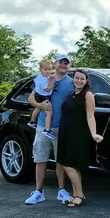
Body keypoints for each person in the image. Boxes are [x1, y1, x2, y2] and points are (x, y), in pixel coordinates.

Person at [25, 54, 74, 205]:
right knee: (40, 159)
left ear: (69, 66)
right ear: (56, 64)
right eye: (61, 62)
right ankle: (39, 192)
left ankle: (61, 191)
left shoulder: (72, 83)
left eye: (66, 63)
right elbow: (31, 99)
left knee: (60, 161)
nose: (63, 65)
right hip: (42, 126)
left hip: (61, 127)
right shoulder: (44, 77)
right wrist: (41, 106)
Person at [57, 69, 103, 207]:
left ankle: (80, 195)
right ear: (73, 79)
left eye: (82, 79)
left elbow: (90, 116)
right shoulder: (71, 94)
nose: (79, 80)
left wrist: (94, 134)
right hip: (65, 133)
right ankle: (76, 194)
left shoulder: (88, 95)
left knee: (68, 164)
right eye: (76, 78)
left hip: (78, 134)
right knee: (71, 165)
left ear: (86, 81)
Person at [27, 59, 55, 140]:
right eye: (45, 69)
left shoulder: (39, 76)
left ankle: (32, 121)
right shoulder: (43, 79)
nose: (48, 71)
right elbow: (48, 90)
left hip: (38, 95)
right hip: (44, 96)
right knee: (49, 113)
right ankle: (47, 129)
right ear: (40, 70)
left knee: (38, 108)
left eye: (49, 69)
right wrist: (50, 81)